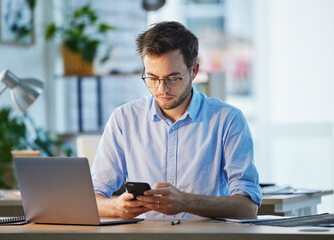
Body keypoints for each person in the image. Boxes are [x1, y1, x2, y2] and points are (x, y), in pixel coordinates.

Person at [91, 21, 262, 219]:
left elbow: (247, 207)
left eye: (173, 78)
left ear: (194, 71)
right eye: (152, 78)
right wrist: (116, 207)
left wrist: (186, 202)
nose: (161, 89)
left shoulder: (227, 120)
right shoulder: (123, 119)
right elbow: (93, 198)